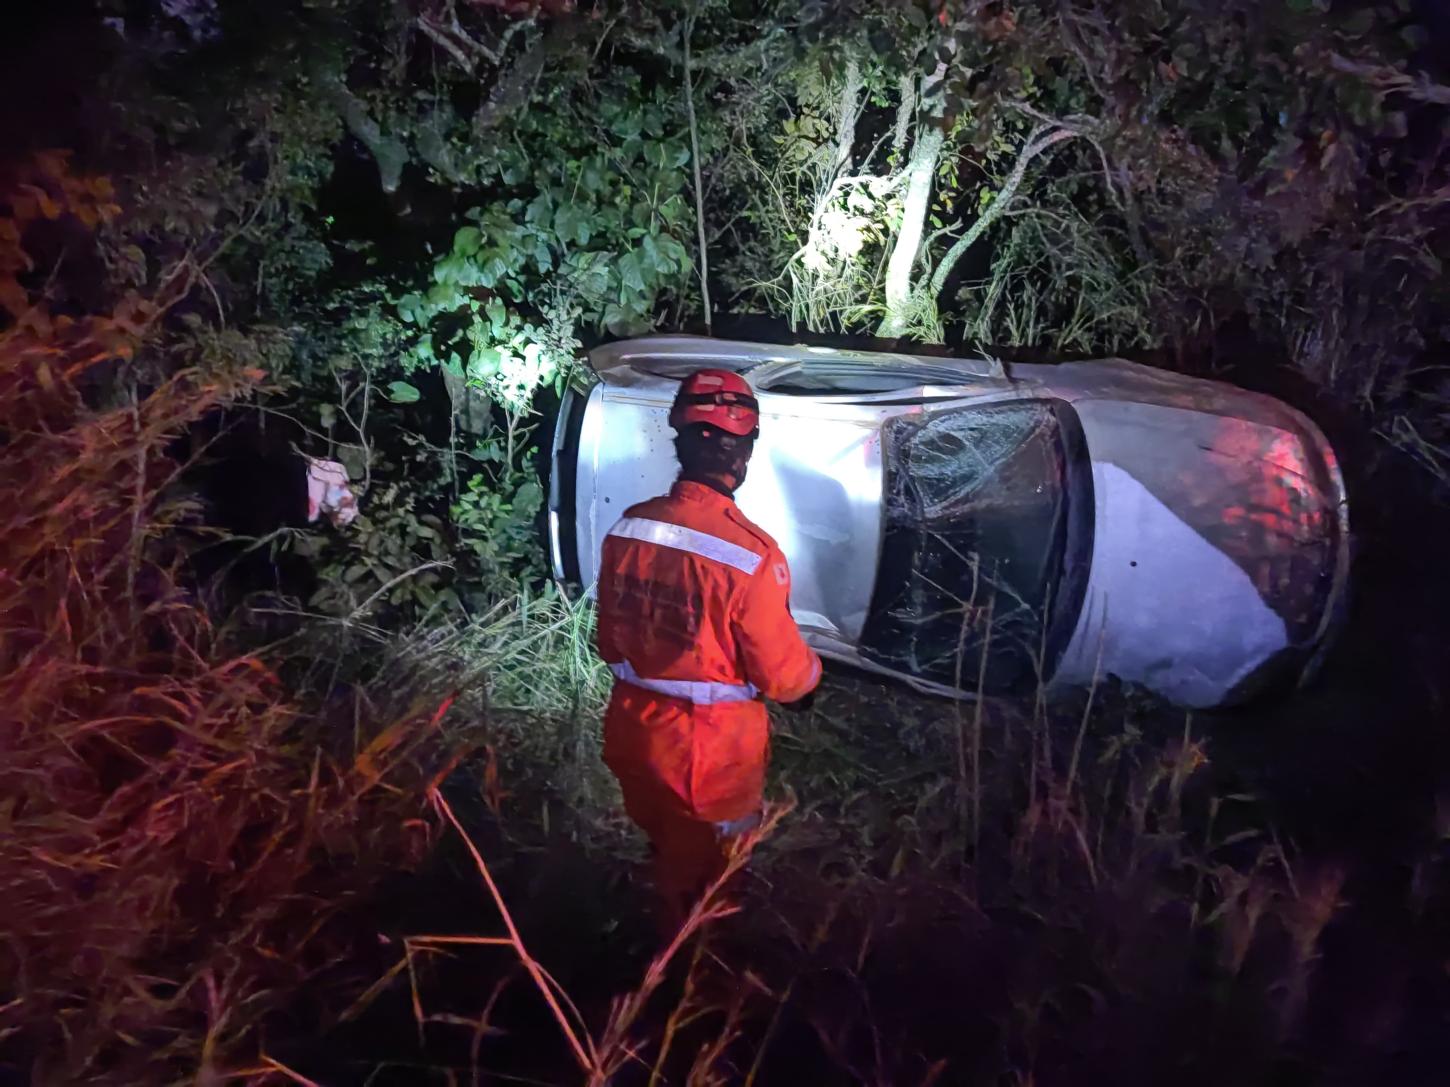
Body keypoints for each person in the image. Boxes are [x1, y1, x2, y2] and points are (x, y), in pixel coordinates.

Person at [595, 368, 822, 931]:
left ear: (679, 441)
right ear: (742, 453)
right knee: (710, 885)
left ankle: (654, 940)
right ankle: (694, 981)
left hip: (632, 734)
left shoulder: (629, 530)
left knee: (664, 846)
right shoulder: (751, 556)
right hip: (708, 758)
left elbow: (609, 640)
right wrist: (810, 681)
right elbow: (785, 677)